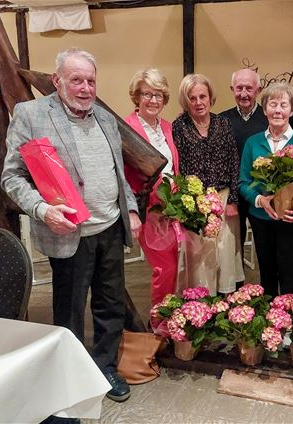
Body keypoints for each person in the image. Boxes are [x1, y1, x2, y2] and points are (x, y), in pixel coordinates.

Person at [1, 48, 141, 402]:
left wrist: (133, 210)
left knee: (110, 305)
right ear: (57, 80)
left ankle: (105, 366)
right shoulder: (31, 114)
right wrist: (42, 209)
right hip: (68, 233)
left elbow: (118, 173)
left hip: (109, 228)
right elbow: (12, 176)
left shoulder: (105, 119)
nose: (85, 88)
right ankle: (71, 375)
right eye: (76, 79)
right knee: (70, 310)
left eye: (90, 80)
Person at [172, 73, 244, 295]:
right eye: (192, 98)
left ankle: (225, 295)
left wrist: (232, 201)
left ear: (210, 97)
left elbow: (234, 161)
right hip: (196, 202)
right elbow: (178, 167)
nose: (198, 102)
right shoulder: (179, 126)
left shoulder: (222, 123)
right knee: (200, 253)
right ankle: (203, 298)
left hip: (223, 197)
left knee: (224, 250)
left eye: (202, 96)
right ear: (186, 101)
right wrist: (187, 205)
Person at [239, 82, 293, 296]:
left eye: (283, 104)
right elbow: (243, 182)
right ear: (264, 109)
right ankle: (269, 324)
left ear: (292, 110)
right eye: (273, 104)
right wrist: (260, 199)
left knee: (291, 276)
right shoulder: (252, 143)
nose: (278, 110)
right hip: (261, 219)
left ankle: (291, 321)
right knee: (267, 276)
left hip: (292, 222)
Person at [124, 68, 180, 306]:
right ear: (137, 97)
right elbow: (123, 175)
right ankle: (160, 324)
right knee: (163, 268)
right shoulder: (127, 128)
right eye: (147, 94)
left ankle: (176, 319)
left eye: (158, 95)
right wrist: (132, 212)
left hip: (172, 207)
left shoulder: (167, 127)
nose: (153, 100)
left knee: (178, 266)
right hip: (148, 208)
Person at [219, 68, 268, 265]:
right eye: (239, 88)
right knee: (232, 249)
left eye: (249, 88)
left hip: (261, 193)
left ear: (258, 90)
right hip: (233, 195)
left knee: (264, 247)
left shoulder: (268, 119)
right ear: (232, 89)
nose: (244, 93)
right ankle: (236, 289)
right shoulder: (221, 120)